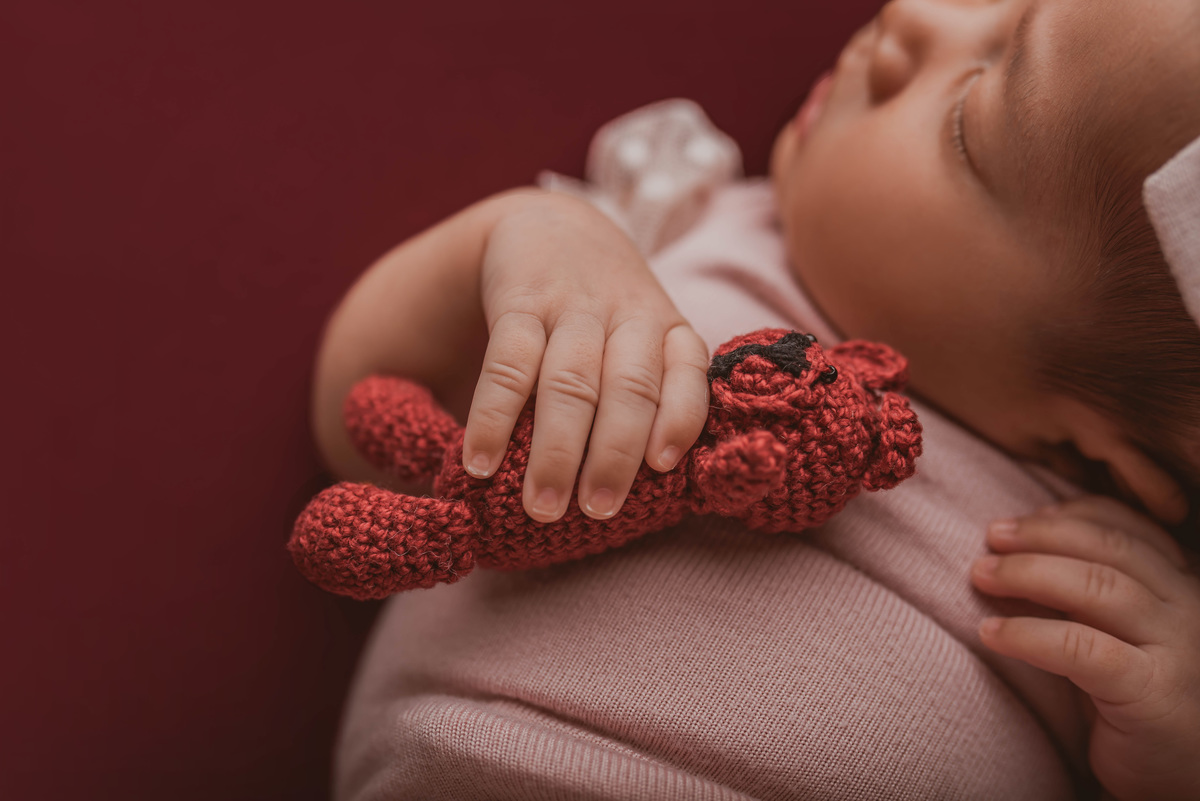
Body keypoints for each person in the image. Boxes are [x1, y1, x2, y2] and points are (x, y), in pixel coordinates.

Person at [310, 0, 1200, 798]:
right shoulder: (661, 227)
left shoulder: (1125, 591)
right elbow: (361, 416)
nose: (911, 18)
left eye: (968, 127)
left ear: (1093, 445)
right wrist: (528, 238)